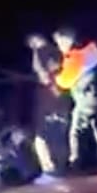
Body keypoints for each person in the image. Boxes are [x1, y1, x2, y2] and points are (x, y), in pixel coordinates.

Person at [51, 26, 97, 171]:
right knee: (96, 129)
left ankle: (78, 163)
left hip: (86, 99)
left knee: (77, 131)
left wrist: (56, 76)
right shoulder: (91, 50)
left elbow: (65, 82)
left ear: (67, 39)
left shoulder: (74, 57)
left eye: (60, 42)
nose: (59, 47)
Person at [26, 33, 71, 176]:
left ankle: (53, 170)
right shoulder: (53, 53)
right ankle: (59, 169)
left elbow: (42, 73)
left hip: (54, 107)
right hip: (56, 106)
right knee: (54, 139)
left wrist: (35, 54)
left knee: (45, 139)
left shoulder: (46, 53)